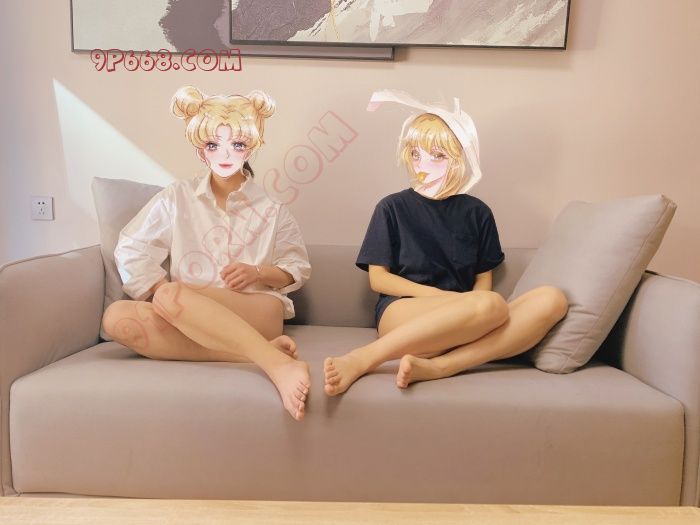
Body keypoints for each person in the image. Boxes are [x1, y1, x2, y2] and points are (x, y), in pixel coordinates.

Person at [323, 90, 568, 395]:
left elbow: (483, 281)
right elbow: (379, 279)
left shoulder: (478, 212)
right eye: (416, 154)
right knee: (492, 305)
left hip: (467, 312)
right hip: (404, 309)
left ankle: (441, 365)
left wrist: (468, 307)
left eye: (437, 155)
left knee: (552, 299)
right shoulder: (391, 207)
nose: (423, 165)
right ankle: (363, 358)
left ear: (457, 158)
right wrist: (442, 298)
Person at [102, 86, 312, 421]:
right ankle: (263, 355)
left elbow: (296, 268)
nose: (225, 154)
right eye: (213, 145)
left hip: (257, 310)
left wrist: (257, 272)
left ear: (251, 146)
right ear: (201, 151)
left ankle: (277, 366)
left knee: (169, 296)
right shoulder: (177, 197)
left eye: (237, 144)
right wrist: (164, 296)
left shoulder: (272, 209)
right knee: (117, 318)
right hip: (189, 314)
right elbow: (131, 247)